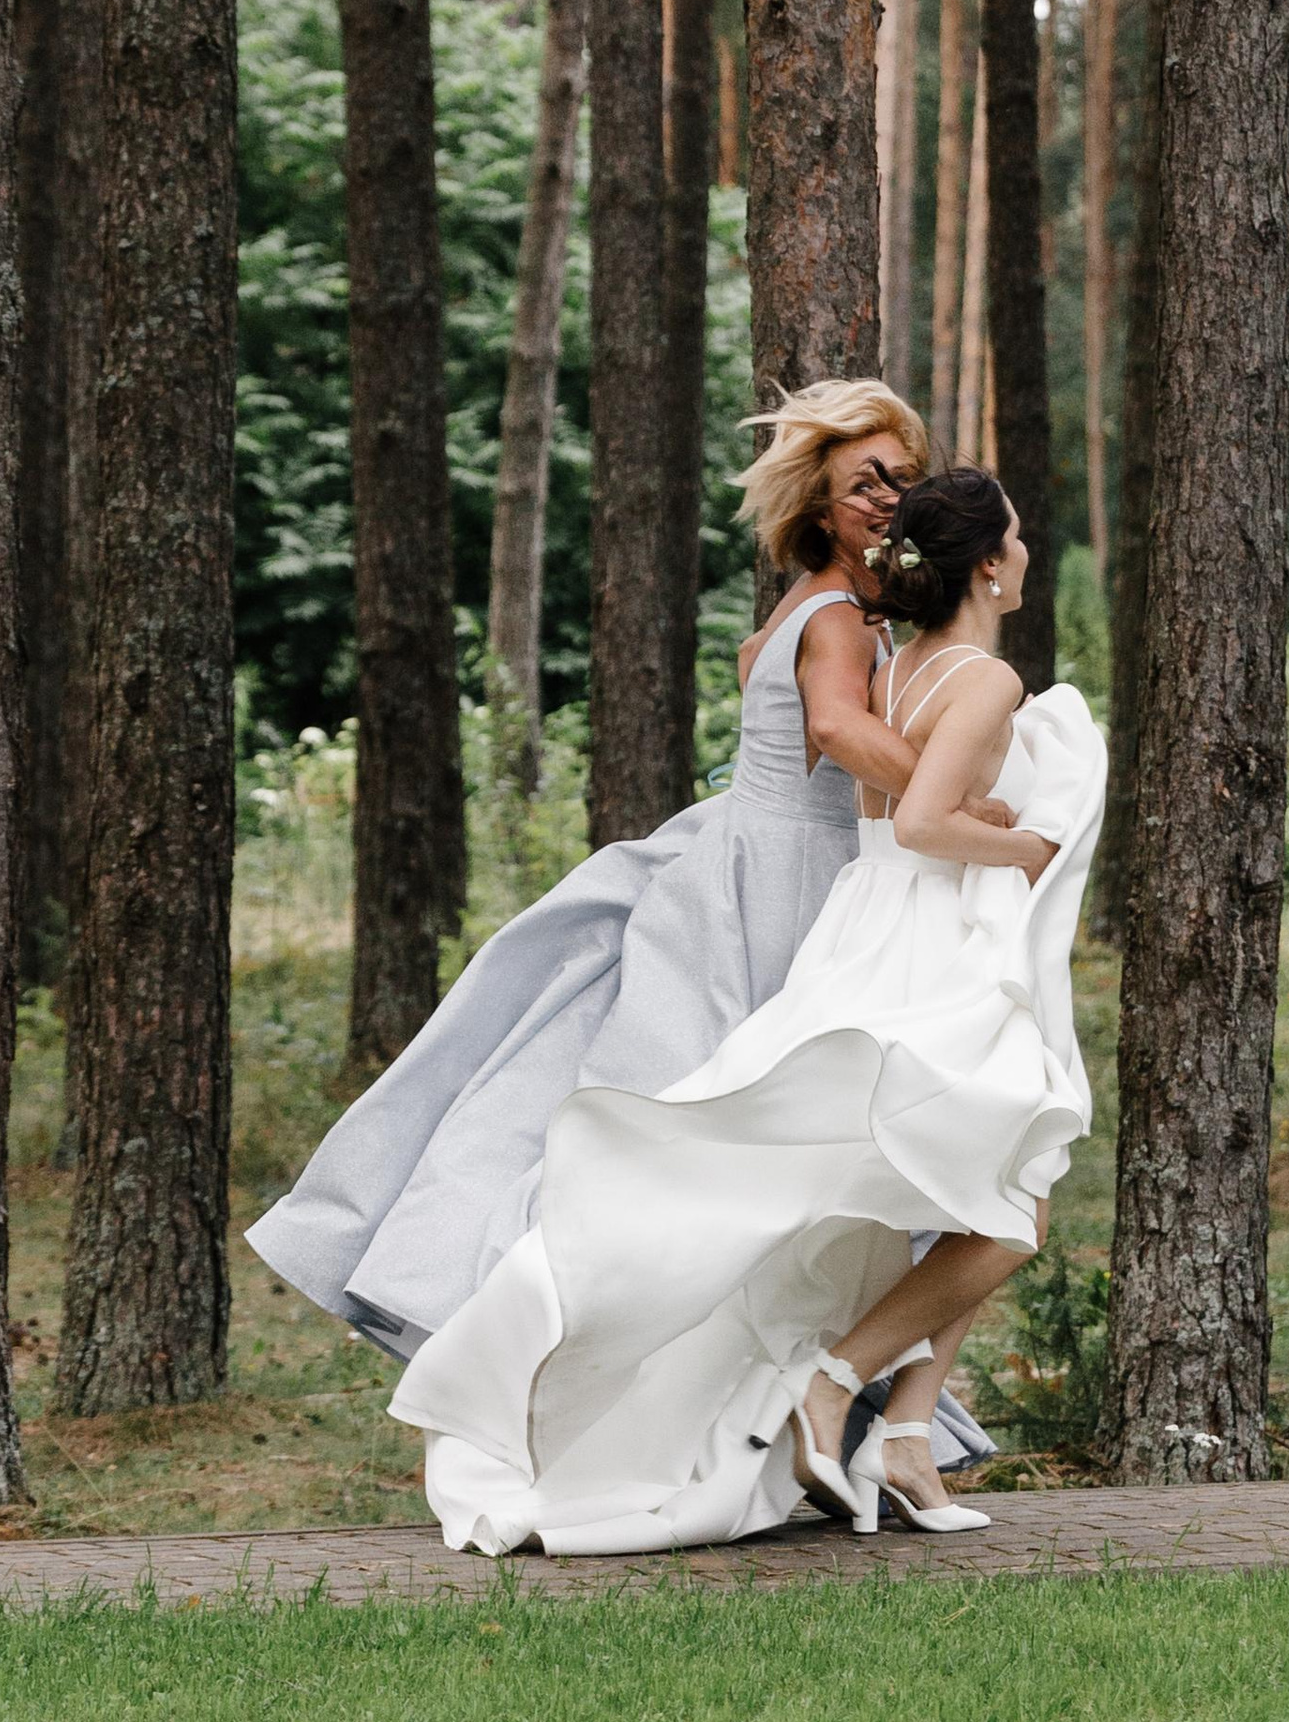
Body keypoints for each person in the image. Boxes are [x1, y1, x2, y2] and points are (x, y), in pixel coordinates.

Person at [392, 468, 1105, 1553]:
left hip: (865, 923)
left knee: (951, 1188)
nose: (1024, 555)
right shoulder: (986, 683)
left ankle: (902, 1436)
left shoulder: (902, 662)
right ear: (991, 565)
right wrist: (1027, 848)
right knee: (1010, 1207)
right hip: (930, 938)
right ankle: (834, 1389)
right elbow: (920, 822)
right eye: (1017, 538)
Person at [247, 381, 999, 1401]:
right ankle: (614, 1361)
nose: (885, 498)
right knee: (730, 1131)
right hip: (776, 888)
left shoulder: (828, 610)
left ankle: (714, 1392)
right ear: (819, 506)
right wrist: (953, 795)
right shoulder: (834, 619)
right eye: (862, 481)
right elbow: (833, 730)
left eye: (902, 480)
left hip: (750, 857)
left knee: (701, 1135)